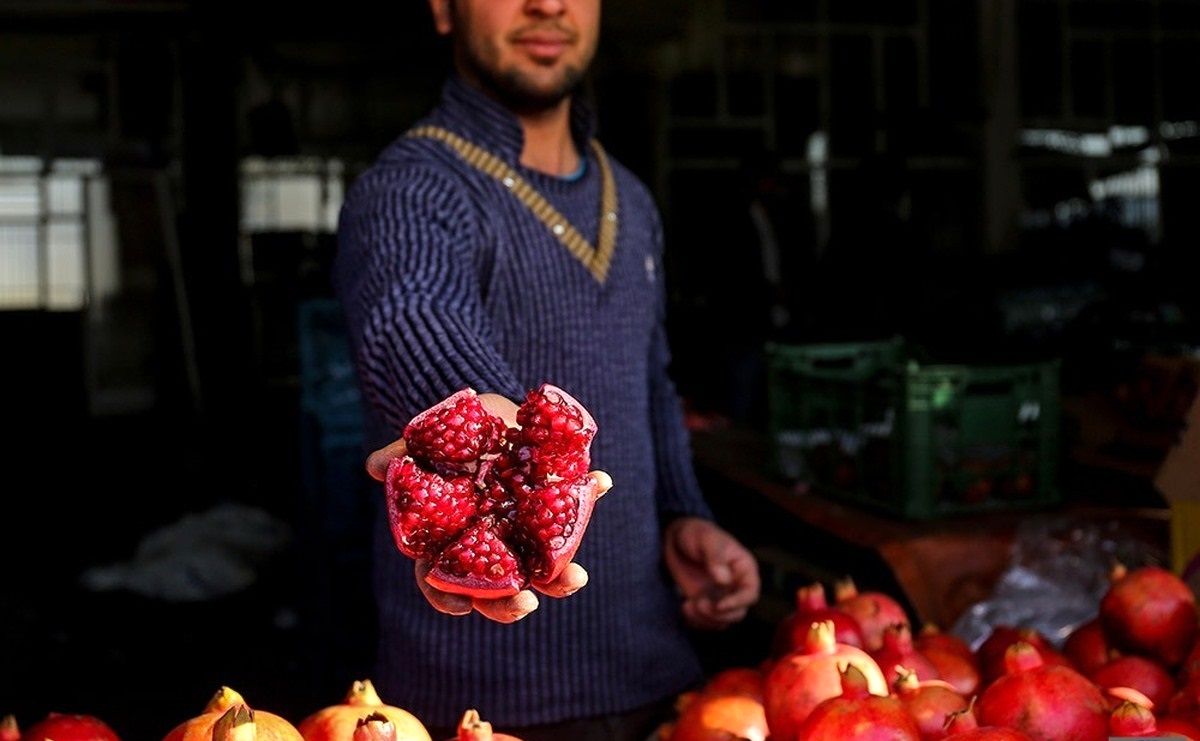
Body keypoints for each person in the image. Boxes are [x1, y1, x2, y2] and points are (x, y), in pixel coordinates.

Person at [332, 1, 761, 739]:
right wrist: (476, 422)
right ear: (442, 7)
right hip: (482, 704)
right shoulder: (411, 189)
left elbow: (650, 381)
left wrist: (681, 514)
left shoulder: (628, 195)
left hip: (660, 675)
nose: (549, 4)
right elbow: (409, 314)